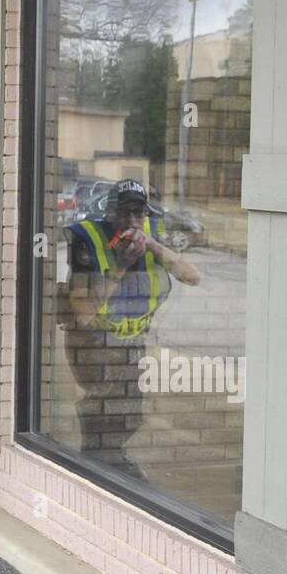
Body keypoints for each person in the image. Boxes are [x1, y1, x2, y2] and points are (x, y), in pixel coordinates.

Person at [59, 178, 201, 479]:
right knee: (100, 405)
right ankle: (96, 463)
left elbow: (192, 276)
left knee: (130, 412)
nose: (133, 221)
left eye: (140, 214)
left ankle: (113, 458)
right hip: (93, 342)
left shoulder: (151, 237)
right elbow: (84, 312)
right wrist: (120, 264)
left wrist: (152, 246)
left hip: (131, 343)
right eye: (126, 213)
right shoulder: (91, 240)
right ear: (112, 213)